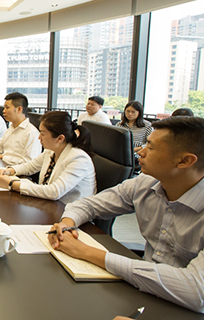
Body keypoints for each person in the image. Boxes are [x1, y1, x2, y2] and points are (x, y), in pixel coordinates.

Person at [47, 116, 204, 313]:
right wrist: (66, 224)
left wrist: (87, 252)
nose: (140, 151)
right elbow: (88, 205)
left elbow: (196, 291)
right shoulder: (145, 183)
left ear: (184, 161)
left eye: (151, 147)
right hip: (142, 293)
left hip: (186, 308)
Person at [0, 111, 96, 204]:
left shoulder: (79, 159)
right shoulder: (51, 151)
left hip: (69, 211)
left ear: (60, 138)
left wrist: (12, 184)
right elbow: (31, 166)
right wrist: (10, 170)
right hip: (50, 204)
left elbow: (54, 191)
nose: (39, 137)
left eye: (42, 134)